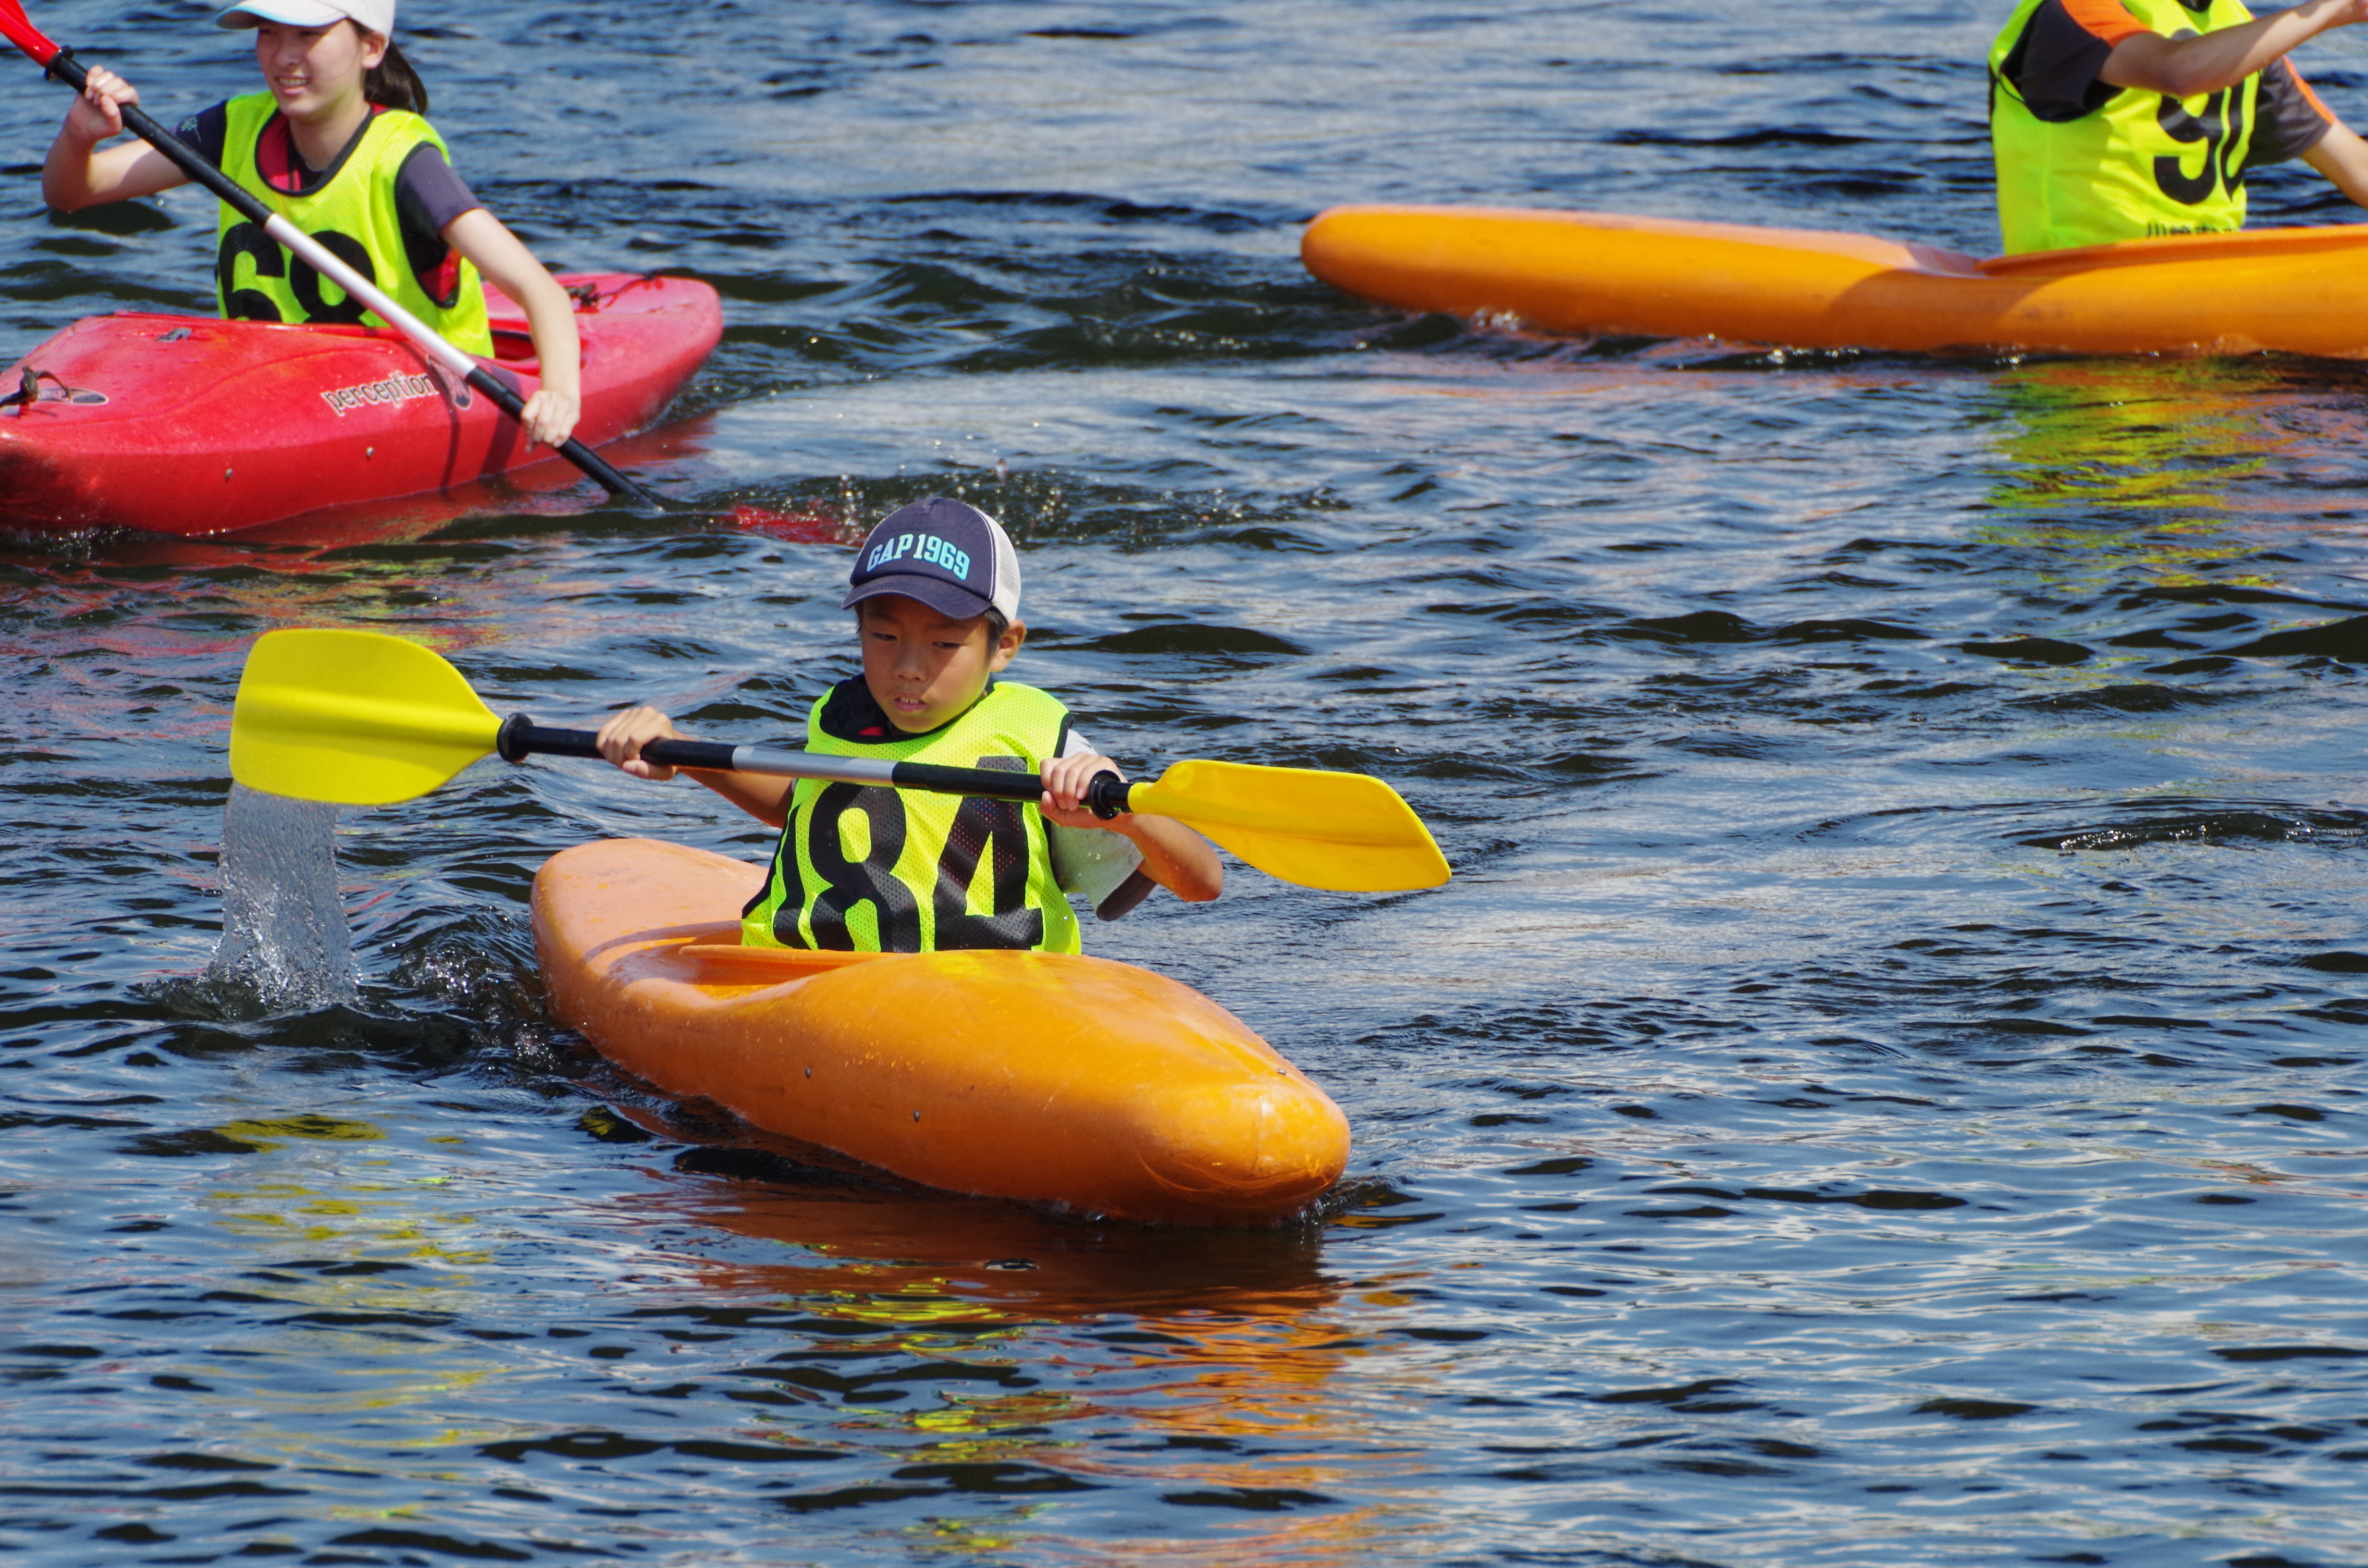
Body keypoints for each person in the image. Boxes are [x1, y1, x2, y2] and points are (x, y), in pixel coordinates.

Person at [596, 497, 1225, 954]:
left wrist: (1126, 807)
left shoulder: (1037, 740)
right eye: (884, 636)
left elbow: (1202, 882)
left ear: (1004, 645)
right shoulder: (841, 715)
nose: (907, 670)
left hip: (995, 1006)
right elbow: (807, 805)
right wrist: (683, 754)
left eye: (944, 643)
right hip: (807, 986)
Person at [40, 0, 580, 448]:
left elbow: (540, 293)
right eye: (269, 34)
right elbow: (74, 193)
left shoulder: (404, 162)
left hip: (417, 393)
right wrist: (80, 135)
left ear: (371, 47)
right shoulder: (232, 128)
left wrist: (558, 396)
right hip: (272, 387)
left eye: (309, 35)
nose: (283, 57)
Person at [1989, 0, 2368, 254]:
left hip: (2200, 275)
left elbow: (2358, 169)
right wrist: (2343, 7)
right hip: (2073, 274)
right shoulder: (2075, 10)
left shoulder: (2239, 30)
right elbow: (2179, 72)